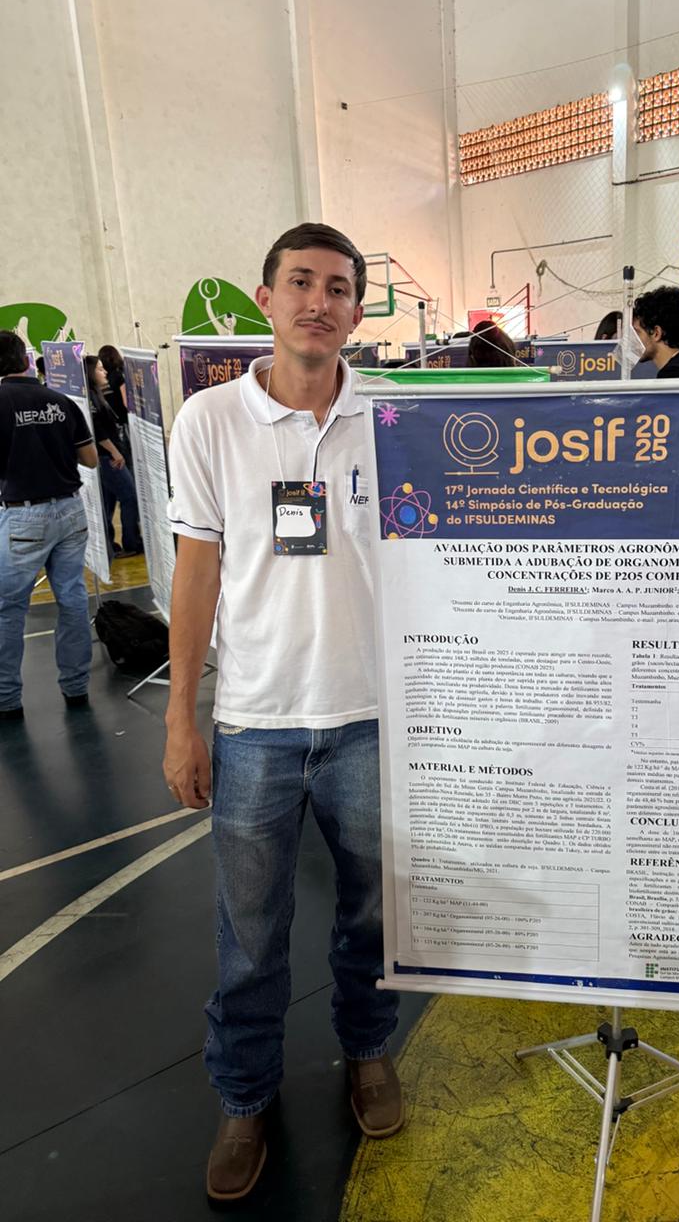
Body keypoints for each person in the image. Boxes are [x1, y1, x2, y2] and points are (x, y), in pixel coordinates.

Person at [163, 222, 403, 1204]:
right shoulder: (210, 420)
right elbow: (196, 573)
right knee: (250, 935)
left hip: (372, 716)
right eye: (300, 282)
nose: (319, 301)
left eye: (338, 287)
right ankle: (244, 1095)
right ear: (265, 299)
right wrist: (182, 717)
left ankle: (369, 1051)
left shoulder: (391, 420)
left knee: (373, 916)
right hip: (256, 721)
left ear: (357, 310)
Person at [0, 330, 98, 720]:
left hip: (23, 516)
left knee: (9, 608)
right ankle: (76, 687)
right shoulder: (60, 401)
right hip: (70, 511)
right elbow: (90, 459)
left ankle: (7, 698)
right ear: (26, 360)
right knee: (72, 600)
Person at [84, 355, 142, 557]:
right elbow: (98, 430)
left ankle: (109, 544)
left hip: (107, 455)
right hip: (107, 457)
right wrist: (114, 452)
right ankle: (131, 542)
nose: (105, 372)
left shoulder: (97, 395)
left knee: (108, 502)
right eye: (100, 369)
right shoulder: (91, 398)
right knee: (129, 496)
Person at [97, 344, 131, 460]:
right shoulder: (118, 375)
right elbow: (126, 402)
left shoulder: (101, 377)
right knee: (127, 450)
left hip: (109, 420)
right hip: (122, 419)